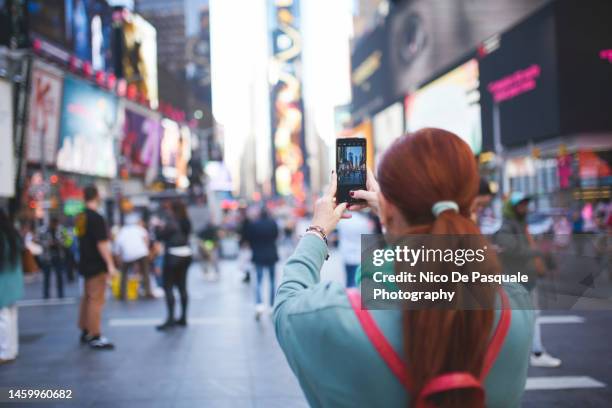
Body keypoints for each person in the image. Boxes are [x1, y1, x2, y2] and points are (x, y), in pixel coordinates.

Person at [274, 128, 534, 407]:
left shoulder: (335, 319)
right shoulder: (515, 308)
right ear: (472, 205)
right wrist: (391, 217)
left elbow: (287, 301)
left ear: (392, 213)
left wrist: (317, 231)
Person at [495, 192, 561, 368]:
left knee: (527, 315)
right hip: (517, 277)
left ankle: (531, 352)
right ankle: (535, 352)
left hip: (523, 277)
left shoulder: (519, 224)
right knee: (524, 315)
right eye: (520, 204)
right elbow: (510, 248)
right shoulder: (508, 226)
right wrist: (536, 251)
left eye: (525, 204)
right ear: (513, 207)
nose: (524, 207)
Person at [75, 185, 118, 350]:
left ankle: (85, 330)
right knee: (96, 300)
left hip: (85, 263)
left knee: (87, 298)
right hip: (96, 264)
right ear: (97, 196)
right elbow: (102, 244)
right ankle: (95, 334)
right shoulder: (97, 218)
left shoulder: (81, 217)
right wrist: (110, 264)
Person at [157, 201, 193, 330]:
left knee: (168, 287)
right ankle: (183, 317)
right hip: (186, 255)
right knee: (182, 287)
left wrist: (158, 227)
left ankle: (171, 319)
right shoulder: (186, 221)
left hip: (173, 256)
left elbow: (160, 236)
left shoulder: (171, 222)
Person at [245, 206, 279, 320]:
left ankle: (259, 305)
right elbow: (276, 236)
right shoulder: (272, 224)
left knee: (258, 281)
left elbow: (249, 238)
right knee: (272, 281)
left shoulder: (254, 225)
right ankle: (271, 306)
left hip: (258, 255)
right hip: (271, 255)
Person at [0, 209, 24, 364]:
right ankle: (12, 349)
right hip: (14, 280)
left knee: (3, 317)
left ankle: (4, 352)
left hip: (3, 281)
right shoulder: (12, 234)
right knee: (12, 315)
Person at [114, 213, 152, 300]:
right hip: (141, 252)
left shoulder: (122, 231)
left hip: (127, 255)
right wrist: (146, 250)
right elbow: (146, 239)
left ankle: (123, 293)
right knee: (145, 272)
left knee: (124, 273)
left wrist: (118, 259)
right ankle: (148, 291)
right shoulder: (140, 229)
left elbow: (117, 246)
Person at [336, 211, 373, 287]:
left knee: (349, 278)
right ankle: (354, 296)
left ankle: (349, 295)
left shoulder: (343, 222)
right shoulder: (363, 221)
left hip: (346, 253)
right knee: (356, 279)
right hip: (358, 254)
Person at [40, 217, 65, 299]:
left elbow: (66, 241)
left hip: (58, 255)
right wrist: (47, 243)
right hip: (47, 256)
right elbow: (39, 240)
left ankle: (60, 293)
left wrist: (60, 242)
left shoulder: (60, 230)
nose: (54, 225)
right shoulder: (43, 230)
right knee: (47, 276)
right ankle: (46, 294)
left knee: (59, 275)